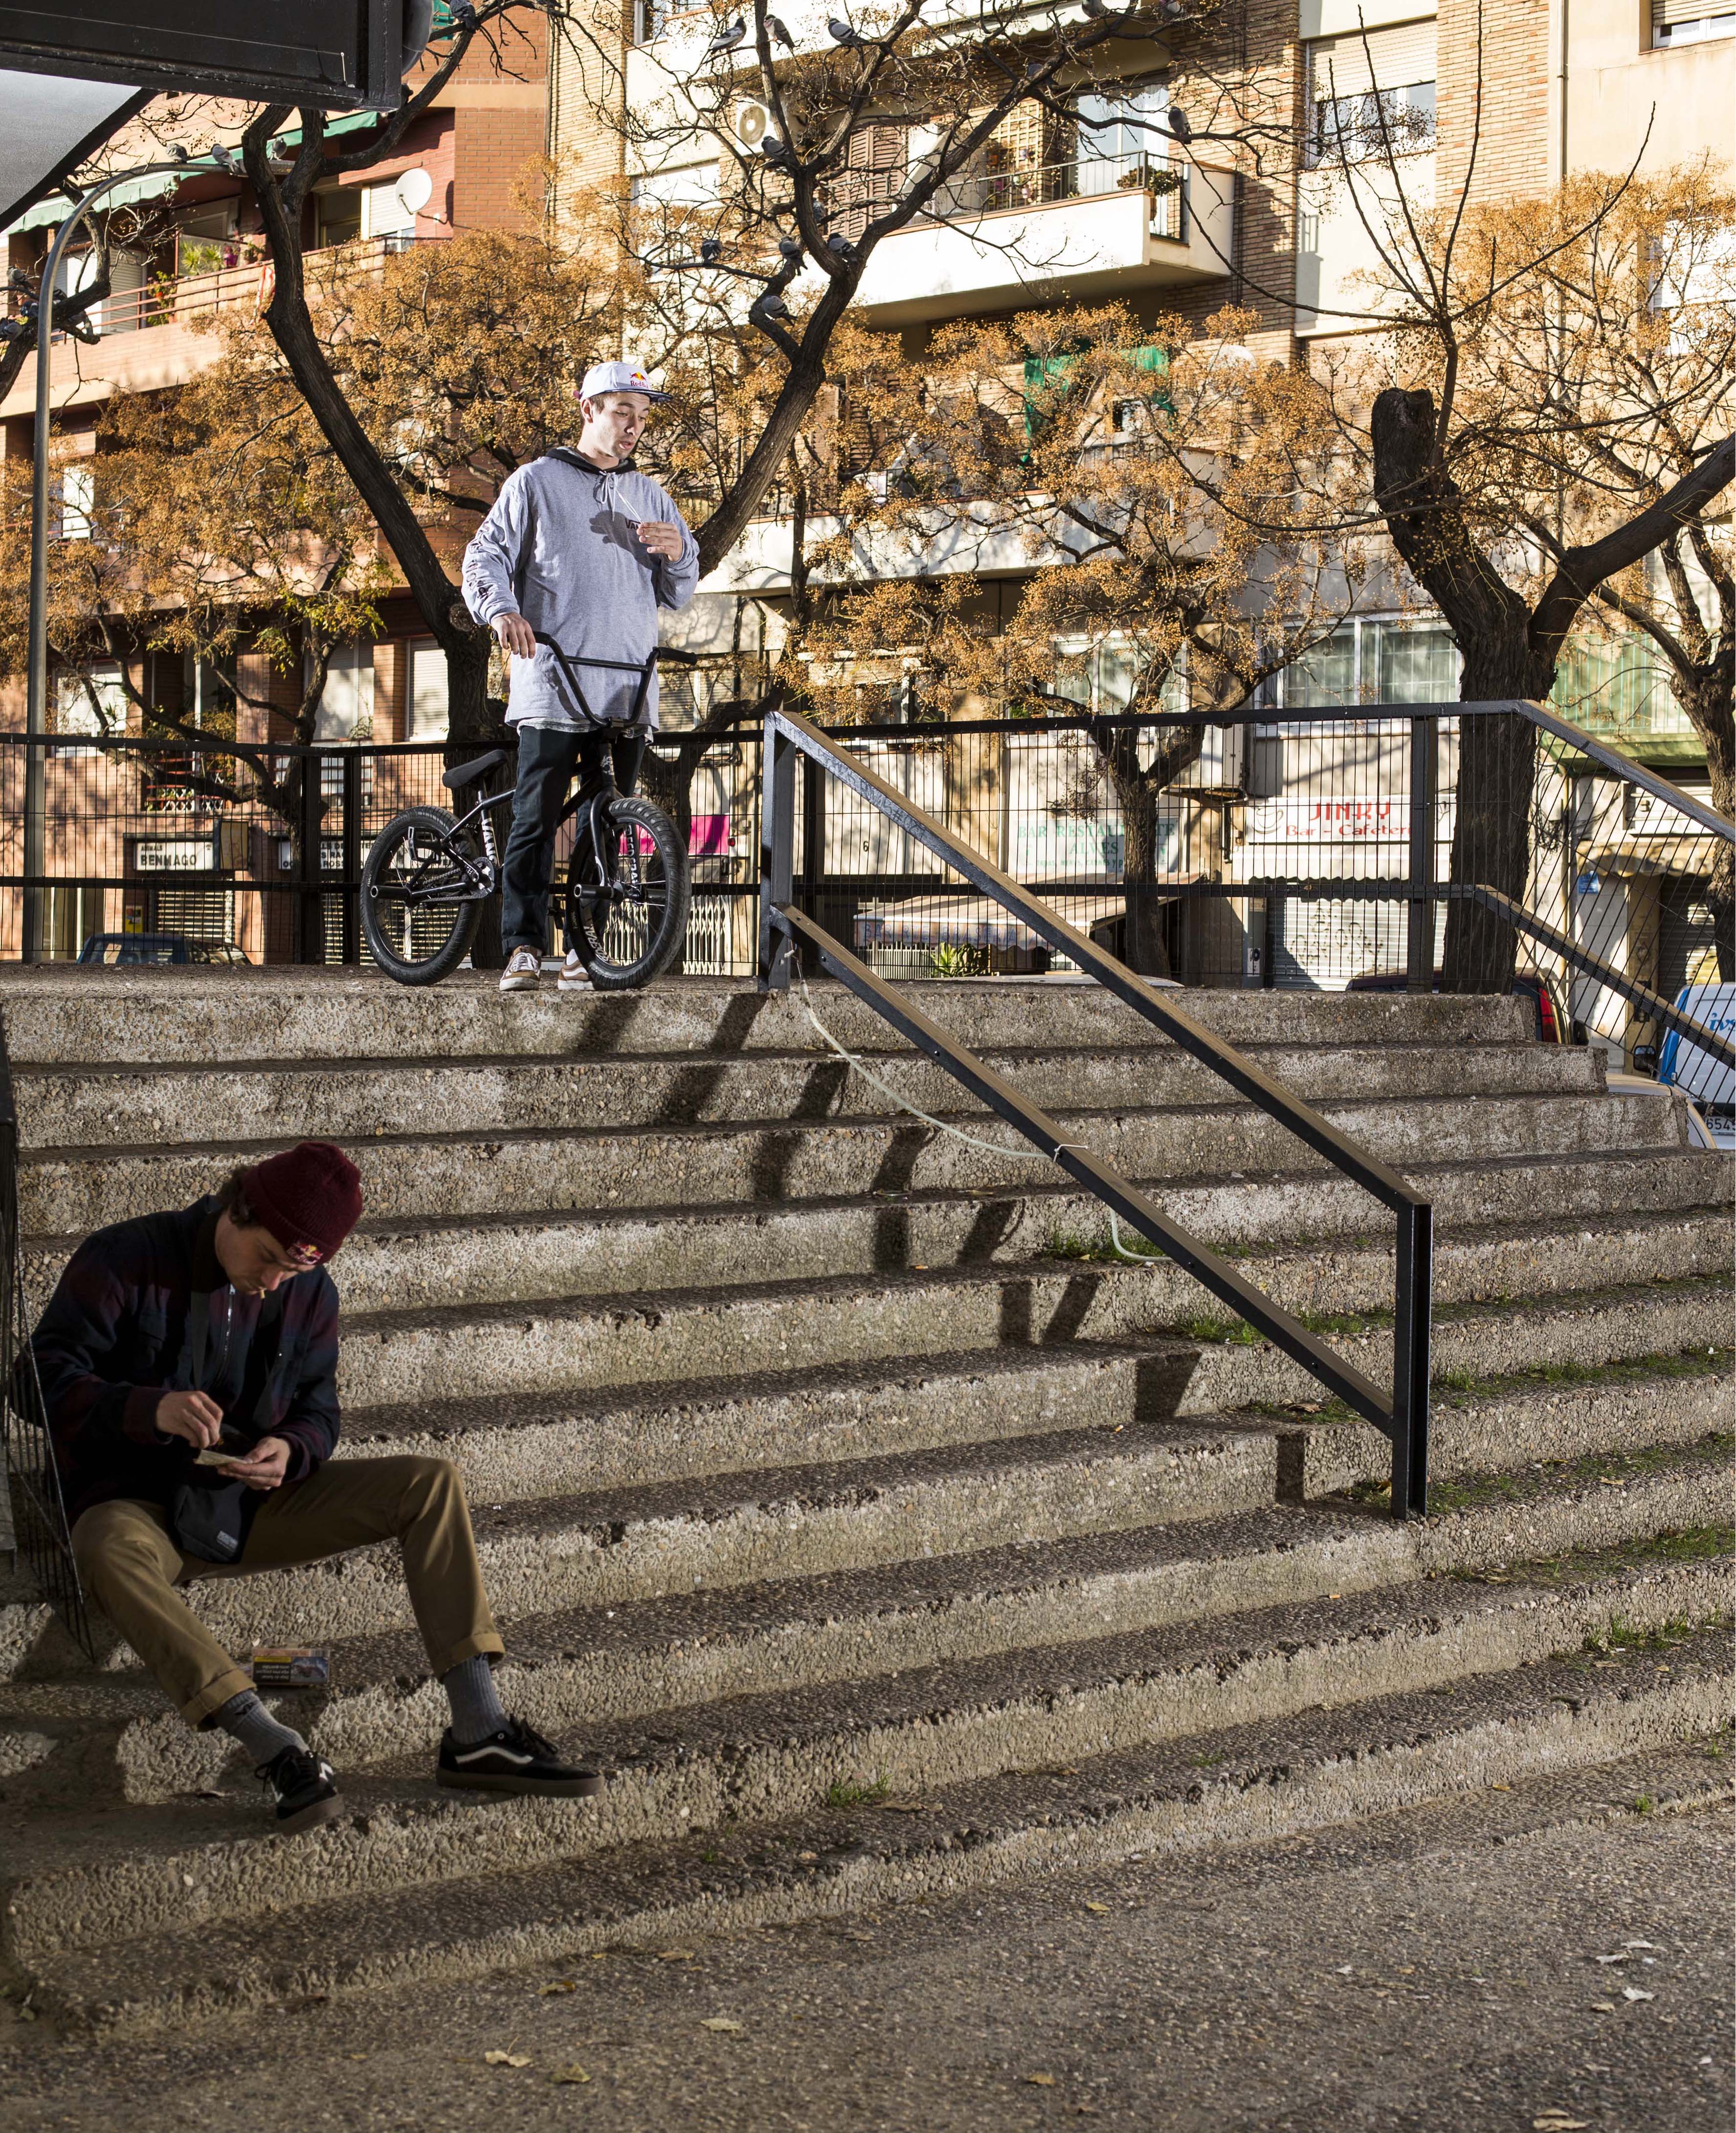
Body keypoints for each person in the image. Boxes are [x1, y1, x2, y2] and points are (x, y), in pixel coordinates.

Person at [31, 1140, 601, 1833]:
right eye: (267, 1256)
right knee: (105, 1546)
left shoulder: (308, 1292)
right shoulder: (126, 1255)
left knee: (430, 1482)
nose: (273, 1281)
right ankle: (275, 1745)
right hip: (136, 1503)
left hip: (246, 1502)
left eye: (294, 1267)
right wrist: (145, 1407)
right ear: (236, 1208)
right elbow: (34, 1380)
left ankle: (479, 1729)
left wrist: (292, 1448)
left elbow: (320, 1411)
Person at [461, 359, 701, 995]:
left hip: (626, 685)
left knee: (606, 824)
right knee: (536, 819)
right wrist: (502, 610)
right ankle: (521, 946)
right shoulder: (535, 482)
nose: (633, 428)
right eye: (623, 412)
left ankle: (583, 950)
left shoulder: (649, 495)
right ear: (587, 407)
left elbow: (679, 590)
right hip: (554, 678)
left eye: (642, 418)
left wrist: (677, 555)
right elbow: (484, 555)